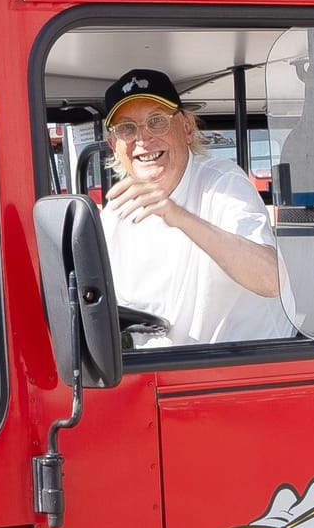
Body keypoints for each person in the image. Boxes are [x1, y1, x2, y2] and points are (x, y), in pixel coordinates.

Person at [98, 68, 294, 346]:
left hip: (247, 370)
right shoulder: (114, 216)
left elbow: (271, 280)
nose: (142, 140)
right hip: (166, 375)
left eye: (156, 121)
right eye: (127, 129)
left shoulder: (222, 183)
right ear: (113, 146)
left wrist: (178, 216)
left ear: (187, 128)